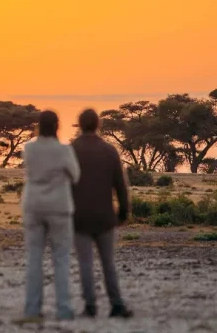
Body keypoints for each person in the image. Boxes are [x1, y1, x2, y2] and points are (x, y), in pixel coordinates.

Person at [70, 109, 134, 318]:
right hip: (105, 216)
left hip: (78, 217)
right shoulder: (110, 150)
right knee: (108, 263)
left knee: (85, 264)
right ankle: (116, 304)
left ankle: (90, 307)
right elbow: (120, 186)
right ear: (99, 124)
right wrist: (124, 212)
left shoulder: (71, 150)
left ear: (79, 125)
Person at [20, 110, 80, 320]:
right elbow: (75, 175)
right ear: (57, 126)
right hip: (59, 206)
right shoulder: (64, 150)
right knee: (61, 258)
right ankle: (63, 308)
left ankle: (32, 309)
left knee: (34, 258)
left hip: (33, 204)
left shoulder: (29, 148)